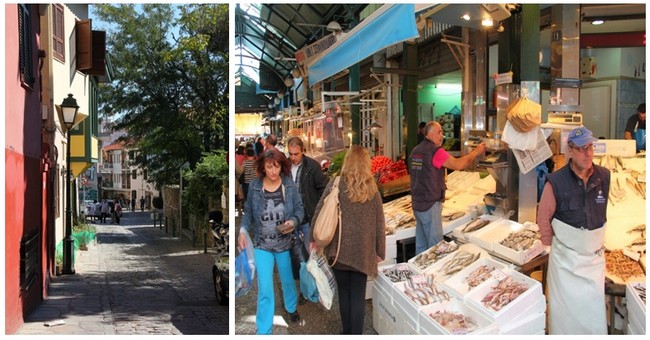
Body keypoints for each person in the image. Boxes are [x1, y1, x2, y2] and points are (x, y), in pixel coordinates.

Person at [537, 126, 610, 334]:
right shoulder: (556, 182)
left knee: (593, 319)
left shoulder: (604, 176)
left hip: (594, 264)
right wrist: (553, 248)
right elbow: (543, 218)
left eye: (590, 147)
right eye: (581, 148)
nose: (588, 153)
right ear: (570, 150)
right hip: (566, 265)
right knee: (565, 321)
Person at [311, 146, 386, 334]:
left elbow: (320, 210)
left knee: (344, 295)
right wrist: (380, 251)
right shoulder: (372, 189)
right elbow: (380, 223)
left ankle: (347, 333)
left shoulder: (336, 183)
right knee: (358, 297)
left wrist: (314, 237)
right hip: (363, 253)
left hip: (339, 252)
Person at [238, 148, 304, 334]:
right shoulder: (255, 186)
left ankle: (291, 307)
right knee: (265, 289)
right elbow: (248, 212)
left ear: (281, 167)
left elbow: (300, 209)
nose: (273, 171)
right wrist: (242, 230)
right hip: (262, 245)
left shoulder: (289, 186)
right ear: (263, 167)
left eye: (276, 167)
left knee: (287, 281)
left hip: (284, 243)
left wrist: (294, 221)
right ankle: (264, 330)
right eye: (269, 167)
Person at [409, 121, 486, 255]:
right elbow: (458, 165)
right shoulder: (435, 151)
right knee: (435, 248)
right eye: (439, 132)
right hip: (430, 205)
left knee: (421, 247)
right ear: (430, 134)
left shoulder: (416, 151)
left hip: (417, 204)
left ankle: (419, 272)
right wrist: (476, 152)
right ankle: (432, 274)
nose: (442, 135)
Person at [287, 136, 329, 251]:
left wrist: (320, 211)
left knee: (309, 251)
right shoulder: (285, 166)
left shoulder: (312, 166)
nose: (293, 157)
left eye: (296, 154)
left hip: (307, 217)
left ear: (303, 151)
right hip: (290, 218)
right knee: (293, 254)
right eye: (291, 154)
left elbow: (323, 188)